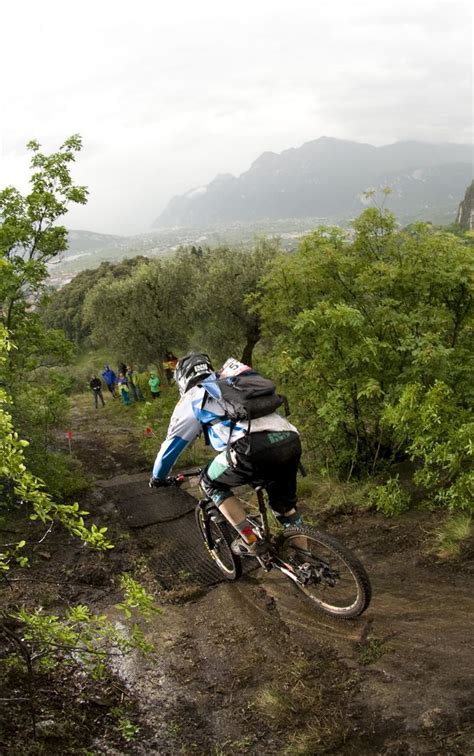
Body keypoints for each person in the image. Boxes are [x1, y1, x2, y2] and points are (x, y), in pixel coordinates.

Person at [149, 353, 303, 555]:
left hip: (250, 448)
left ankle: (251, 540)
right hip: (289, 438)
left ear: (183, 378)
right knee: (285, 507)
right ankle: (306, 561)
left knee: (209, 482)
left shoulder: (193, 397)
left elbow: (171, 447)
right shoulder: (232, 380)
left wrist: (158, 476)